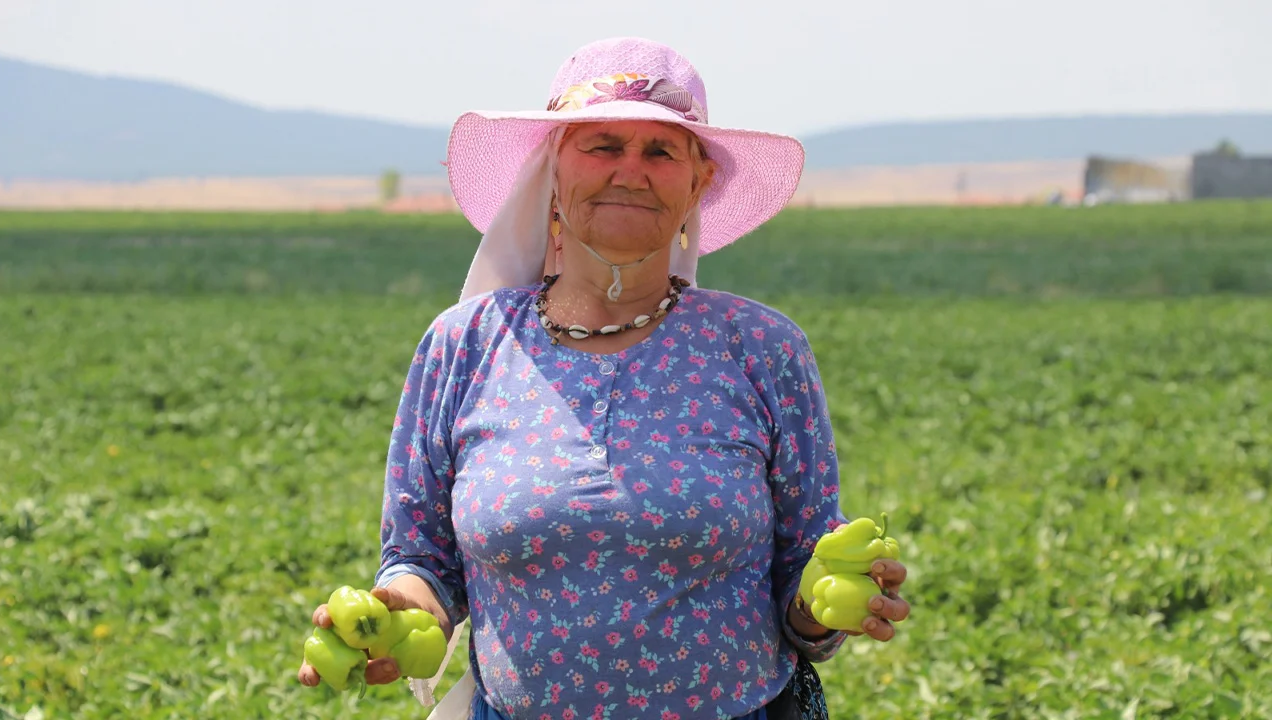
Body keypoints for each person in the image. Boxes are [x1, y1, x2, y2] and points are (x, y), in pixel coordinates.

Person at [298, 36, 910, 719]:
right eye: (603, 145)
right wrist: (393, 616)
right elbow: (422, 557)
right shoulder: (465, 345)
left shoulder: (760, 349)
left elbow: (805, 573)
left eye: (660, 152)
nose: (631, 171)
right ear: (552, 173)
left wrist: (832, 600)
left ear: (698, 183)